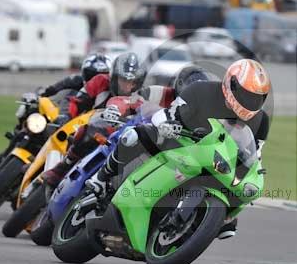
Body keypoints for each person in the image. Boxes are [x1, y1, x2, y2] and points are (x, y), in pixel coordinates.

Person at [85, 58, 271, 240]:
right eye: (247, 96)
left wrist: (251, 176)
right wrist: (168, 125)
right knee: (134, 136)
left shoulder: (261, 121)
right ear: (232, 84)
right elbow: (164, 115)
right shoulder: (201, 90)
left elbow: (255, 153)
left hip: (214, 159)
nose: (250, 102)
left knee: (244, 191)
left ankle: (217, 217)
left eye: (256, 99)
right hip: (178, 140)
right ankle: (101, 178)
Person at [42, 64, 213, 189]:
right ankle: (63, 168)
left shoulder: (202, 115)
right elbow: (130, 100)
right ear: (180, 86)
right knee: (91, 131)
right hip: (135, 133)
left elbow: (215, 139)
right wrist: (116, 108)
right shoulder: (159, 92)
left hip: (165, 158)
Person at [39, 53, 110, 98]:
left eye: (103, 76)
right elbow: (53, 89)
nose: (96, 81)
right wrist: (42, 94)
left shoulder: (115, 87)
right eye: (92, 75)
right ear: (84, 74)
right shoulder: (75, 80)